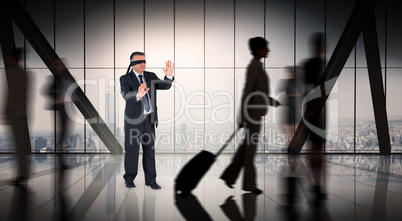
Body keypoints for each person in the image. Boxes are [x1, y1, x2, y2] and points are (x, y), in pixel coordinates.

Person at [220, 37, 279, 195]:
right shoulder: (253, 67)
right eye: (266, 47)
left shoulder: (258, 67)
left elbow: (259, 93)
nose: (268, 50)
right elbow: (247, 93)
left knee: (246, 147)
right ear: (259, 49)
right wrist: (242, 117)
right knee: (250, 150)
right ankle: (249, 185)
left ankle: (229, 176)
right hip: (252, 115)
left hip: (255, 114)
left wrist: (272, 102)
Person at [120, 51, 174, 189]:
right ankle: (129, 178)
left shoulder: (150, 76)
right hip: (133, 122)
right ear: (132, 64)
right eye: (139, 61)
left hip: (149, 121)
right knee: (132, 151)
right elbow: (126, 95)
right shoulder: (125, 78)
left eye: (144, 61)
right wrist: (138, 94)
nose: (143, 64)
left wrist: (168, 75)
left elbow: (165, 86)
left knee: (149, 152)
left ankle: (151, 180)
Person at [303, 32, 327, 205]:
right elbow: (321, 88)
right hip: (317, 110)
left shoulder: (309, 64)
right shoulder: (321, 65)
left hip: (313, 109)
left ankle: (316, 184)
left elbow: (306, 88)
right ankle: (316, 185)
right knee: (317, 149)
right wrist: (315, 108)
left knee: (316, 148)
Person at [3, 48, 32, 190]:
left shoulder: (13, 73)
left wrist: (6, 112)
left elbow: (11, 94)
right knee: (21, 144)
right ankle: (24, 173)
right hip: (23, 112)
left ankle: (22, 174)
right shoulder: (25, 73)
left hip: (15, 112)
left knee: (19, 145)